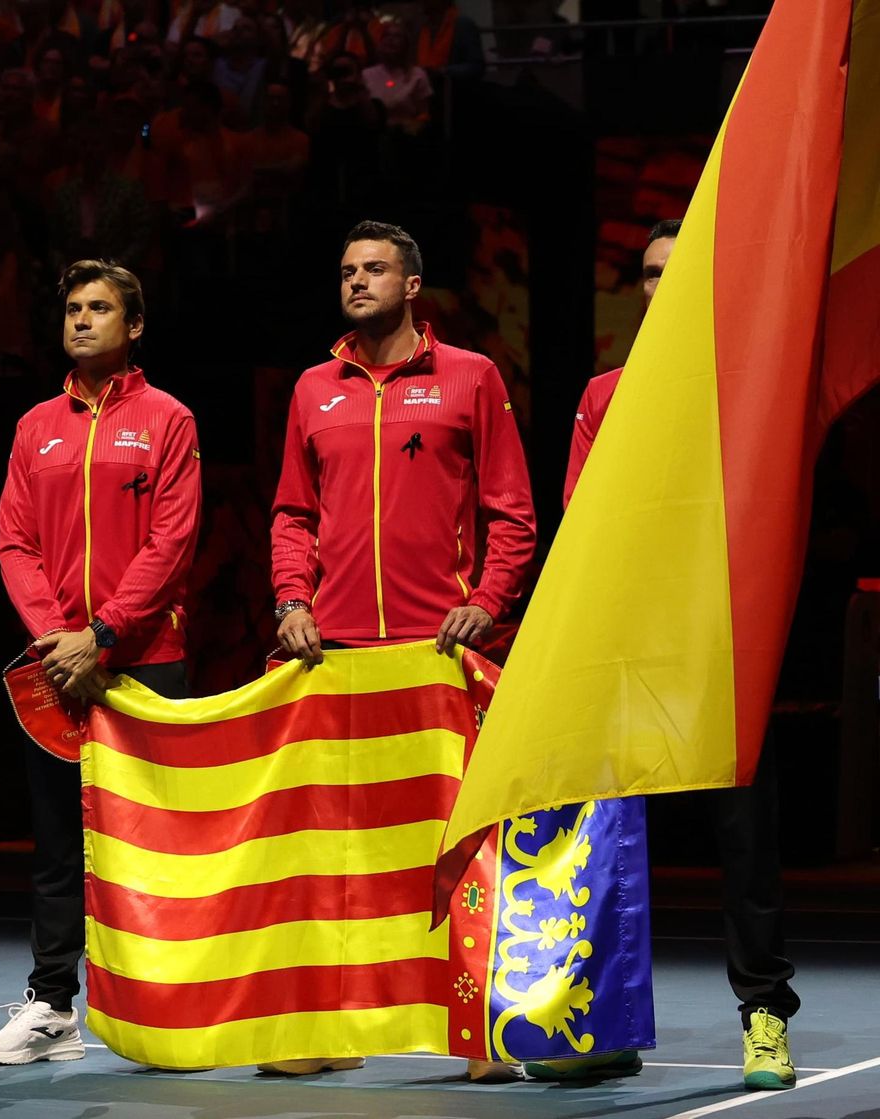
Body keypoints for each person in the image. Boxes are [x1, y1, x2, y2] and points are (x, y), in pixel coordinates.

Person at [270, 220, 536, 1080]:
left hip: (435, 656)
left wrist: (486, 604)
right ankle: (324, 1031)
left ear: (413, 285)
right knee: (329, 851)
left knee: (458, 849)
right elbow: (292, 514)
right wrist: (292, 600)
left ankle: (477, 1031)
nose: (357, 281)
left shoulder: (471, 377)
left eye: (375, 268)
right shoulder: (314, 387)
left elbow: (512, 513)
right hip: (336, 656)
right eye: (348, 269)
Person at [553, 219, 799, 1092]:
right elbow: (583, 517)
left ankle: (765, 1015)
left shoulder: (748, 387)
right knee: (605, 840)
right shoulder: (602, 395)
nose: (661, 284)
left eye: (675, 270)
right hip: (629, 644)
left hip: (722, 643)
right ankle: (601, 1021)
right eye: (650, 272)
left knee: (746, 838)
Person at [0, 260, 201, 1064]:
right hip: (58, 664)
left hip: (144, 660)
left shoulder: (169, 419)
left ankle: (170, 1004)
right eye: (73, 307)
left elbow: (172, 540)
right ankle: (51, 1005)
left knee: (154, 843)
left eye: (99, 307)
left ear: (133, 325)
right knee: (55, 843)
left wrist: (102, 634)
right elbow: (14, 541)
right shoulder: (35, 425)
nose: (80, 319)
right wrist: (56, 637)